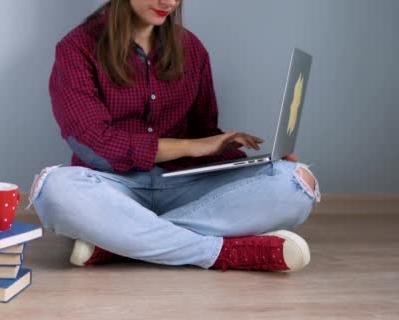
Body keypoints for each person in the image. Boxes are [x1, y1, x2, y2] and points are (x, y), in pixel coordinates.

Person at [28, 0, 321, 272]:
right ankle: (220, 252)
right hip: (113, 188)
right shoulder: (77, 47)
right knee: (53, 189)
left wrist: (257, 165)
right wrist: (193, 147)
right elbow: (96, 143)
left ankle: (118, 244)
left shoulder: (191, 48)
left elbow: (205, 136)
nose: (169, 2)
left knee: (296, 181)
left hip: (182, 185)